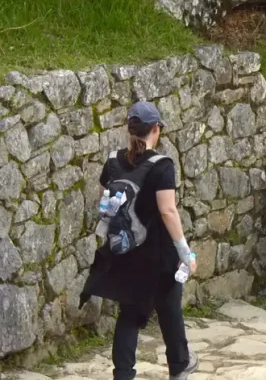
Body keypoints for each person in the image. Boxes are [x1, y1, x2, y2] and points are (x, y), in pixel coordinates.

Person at [80, 102, 199, 380]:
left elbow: (104, 203)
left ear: (129, 129)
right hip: (158, 254)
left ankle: (123, 374)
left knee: (129, 312)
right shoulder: (162, 166)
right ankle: (179, 366)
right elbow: (168, 211)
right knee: (169, 307)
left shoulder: (112, 162)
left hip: (126, 250)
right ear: (155, 129)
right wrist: (186, 254)